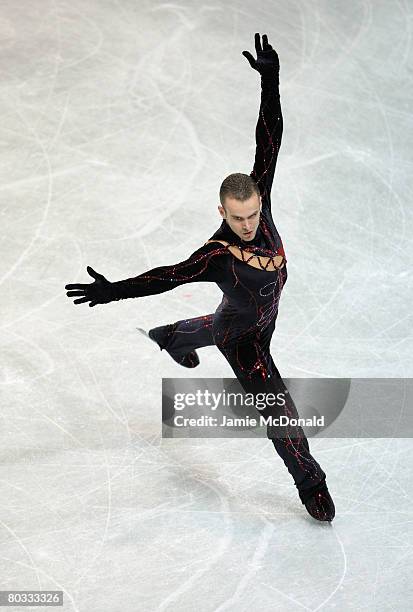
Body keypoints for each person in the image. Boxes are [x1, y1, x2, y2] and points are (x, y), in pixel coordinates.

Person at [65, 33, 335, 522]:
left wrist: (270, 80)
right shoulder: (215, 255)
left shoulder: (260, 200)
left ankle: (171, 336)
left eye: (253, 214)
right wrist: (112, 292)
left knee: (216, 322)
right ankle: (311, 483)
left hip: (249, 316)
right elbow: (165, 276)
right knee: (279, 411)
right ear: (222, 212)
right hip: (248, 337)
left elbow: (270, 134)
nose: (250, 225)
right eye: (239, 219)